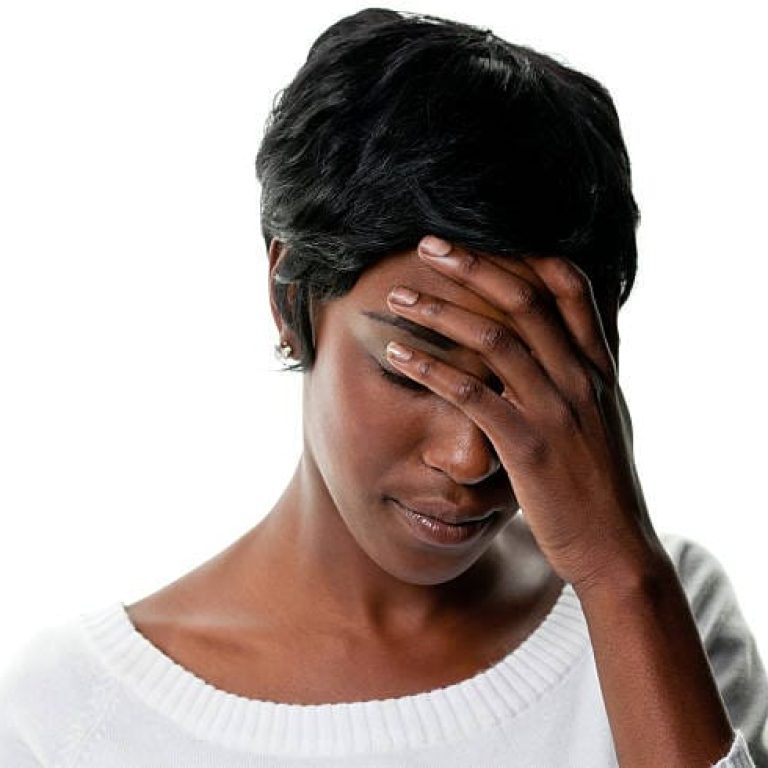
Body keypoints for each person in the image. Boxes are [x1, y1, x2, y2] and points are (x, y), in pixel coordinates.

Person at [1, 8, 766, 767]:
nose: (470, 457)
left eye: (526, 378)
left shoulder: (664, 609)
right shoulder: (68, 719)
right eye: (415, 365)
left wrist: (617, 575)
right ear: (287, 295)